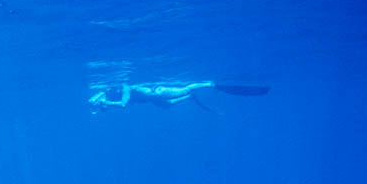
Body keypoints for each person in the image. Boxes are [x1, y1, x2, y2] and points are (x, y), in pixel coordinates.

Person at [89, 81, 268, 111]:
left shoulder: (125, 88)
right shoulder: (115, 93)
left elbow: (122, 105)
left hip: (158, 93)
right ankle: (190, 98)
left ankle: (208, 84)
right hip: (154, 99)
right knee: (170, 106)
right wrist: (101, 100)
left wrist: (104, 101)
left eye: (108, 91)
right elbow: (93, 101)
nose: (108, 94)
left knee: (185, 89)